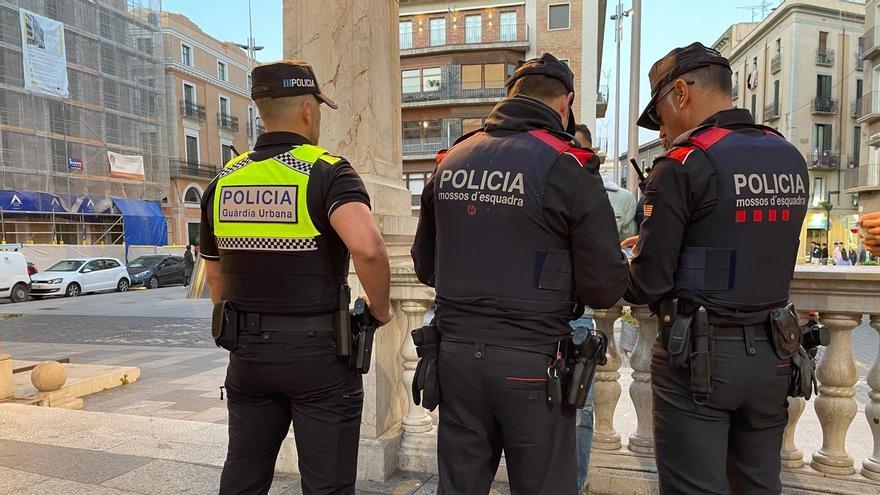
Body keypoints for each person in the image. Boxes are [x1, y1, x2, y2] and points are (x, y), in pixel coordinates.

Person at [412, 53, 629, 494]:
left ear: (509, 95)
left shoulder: (451, 159)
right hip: (533, 363)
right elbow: (605, 287)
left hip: (455, 358)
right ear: (566, 102)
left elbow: (424, 265)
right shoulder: (569, 165)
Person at [200, 61, 392, 495]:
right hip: (320, 358)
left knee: (243, 475)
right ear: (308, 108)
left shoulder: (223, 181)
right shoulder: (327, 172)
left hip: (248, 355)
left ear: (261, 110)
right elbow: (368, 247)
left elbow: (215, 277)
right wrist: (380, 310)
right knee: (327, 484)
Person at [624, 42, 809, 494]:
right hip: (774, 355)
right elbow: (744, 237)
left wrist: (636, 254)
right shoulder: (788, 156)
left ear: (682, 94)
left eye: (661, 115)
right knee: (759, 485)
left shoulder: (684, 163)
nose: (663, 130)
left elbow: (648, 282)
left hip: (699, 362)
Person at [572, 122, 637, 491]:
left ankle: (575, 485)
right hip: (544, 314)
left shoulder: (620, 199)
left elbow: (624, 254)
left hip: (584, 316)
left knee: (581, 409)